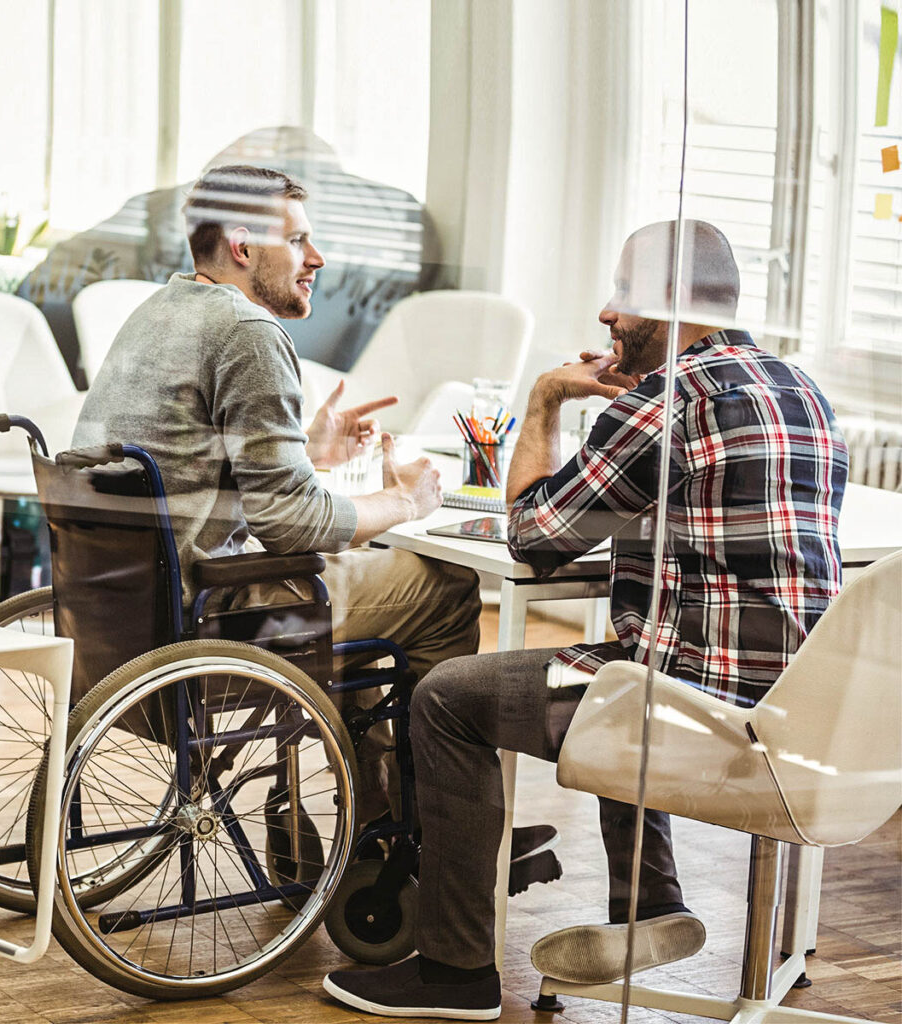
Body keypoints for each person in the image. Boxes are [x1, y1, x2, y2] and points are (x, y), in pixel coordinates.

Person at [323, 219, 849, 1021]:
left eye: (624, 296)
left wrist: (546, 400)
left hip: (699, 720)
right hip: (805, 716)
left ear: (671, 305)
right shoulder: (801, 390)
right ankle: (649, 907)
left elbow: (533, 536)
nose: (607, 314)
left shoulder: (664, 402)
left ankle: (454, 970)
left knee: (452, 698)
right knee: (623, 658)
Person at [73, 165, 556, 882]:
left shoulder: (160, 311)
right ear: (243, 245)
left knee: (369, 609)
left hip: (121, 614)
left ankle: (372, 821)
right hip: (211, 615)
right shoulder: (247, 329)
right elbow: (291, 524)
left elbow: (194, 467)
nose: (318, 258)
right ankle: (439, 830)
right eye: (299, 240)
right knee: (443, 586)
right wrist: (407, 504)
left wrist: (311, 451)